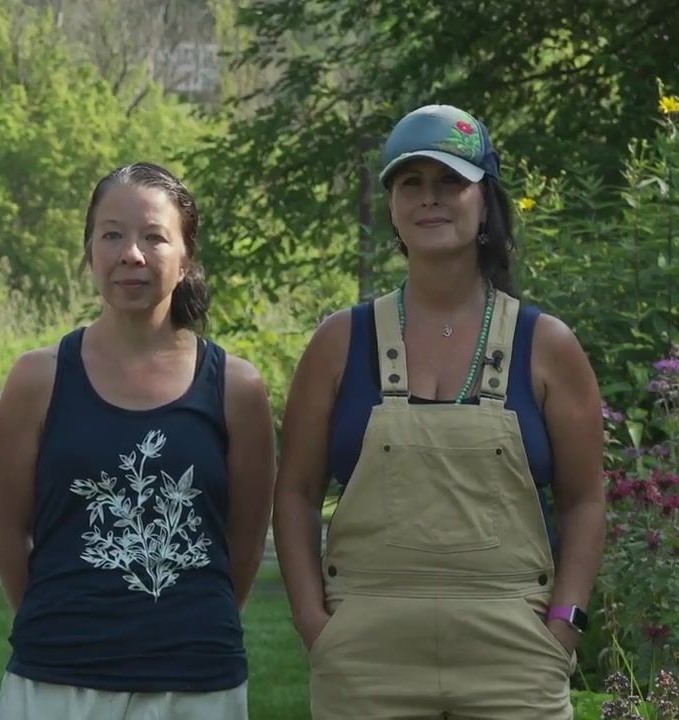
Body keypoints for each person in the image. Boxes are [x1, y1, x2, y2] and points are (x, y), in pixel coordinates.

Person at [272, 104, 606, 719]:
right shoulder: (339, 343)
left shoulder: (547, 346)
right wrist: (311, 619)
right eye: (411, 183)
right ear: (394, 207)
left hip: (515, 661)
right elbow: (293, 491)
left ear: (486, 202)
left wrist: (565, 624)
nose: (431, 198)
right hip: (364, 659)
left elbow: (585, 499)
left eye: (451, 180)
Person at [0, 162, 277, 719]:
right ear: (89, 249)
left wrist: (187, 627)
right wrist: (56, 623)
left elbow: (244, 539)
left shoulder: (236, 387)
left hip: (195, 683)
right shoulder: (36, 378)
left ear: (186, 255)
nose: (131, 254)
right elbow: (7, 529)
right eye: (112, 234)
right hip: (57, 678)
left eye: (153, 237)